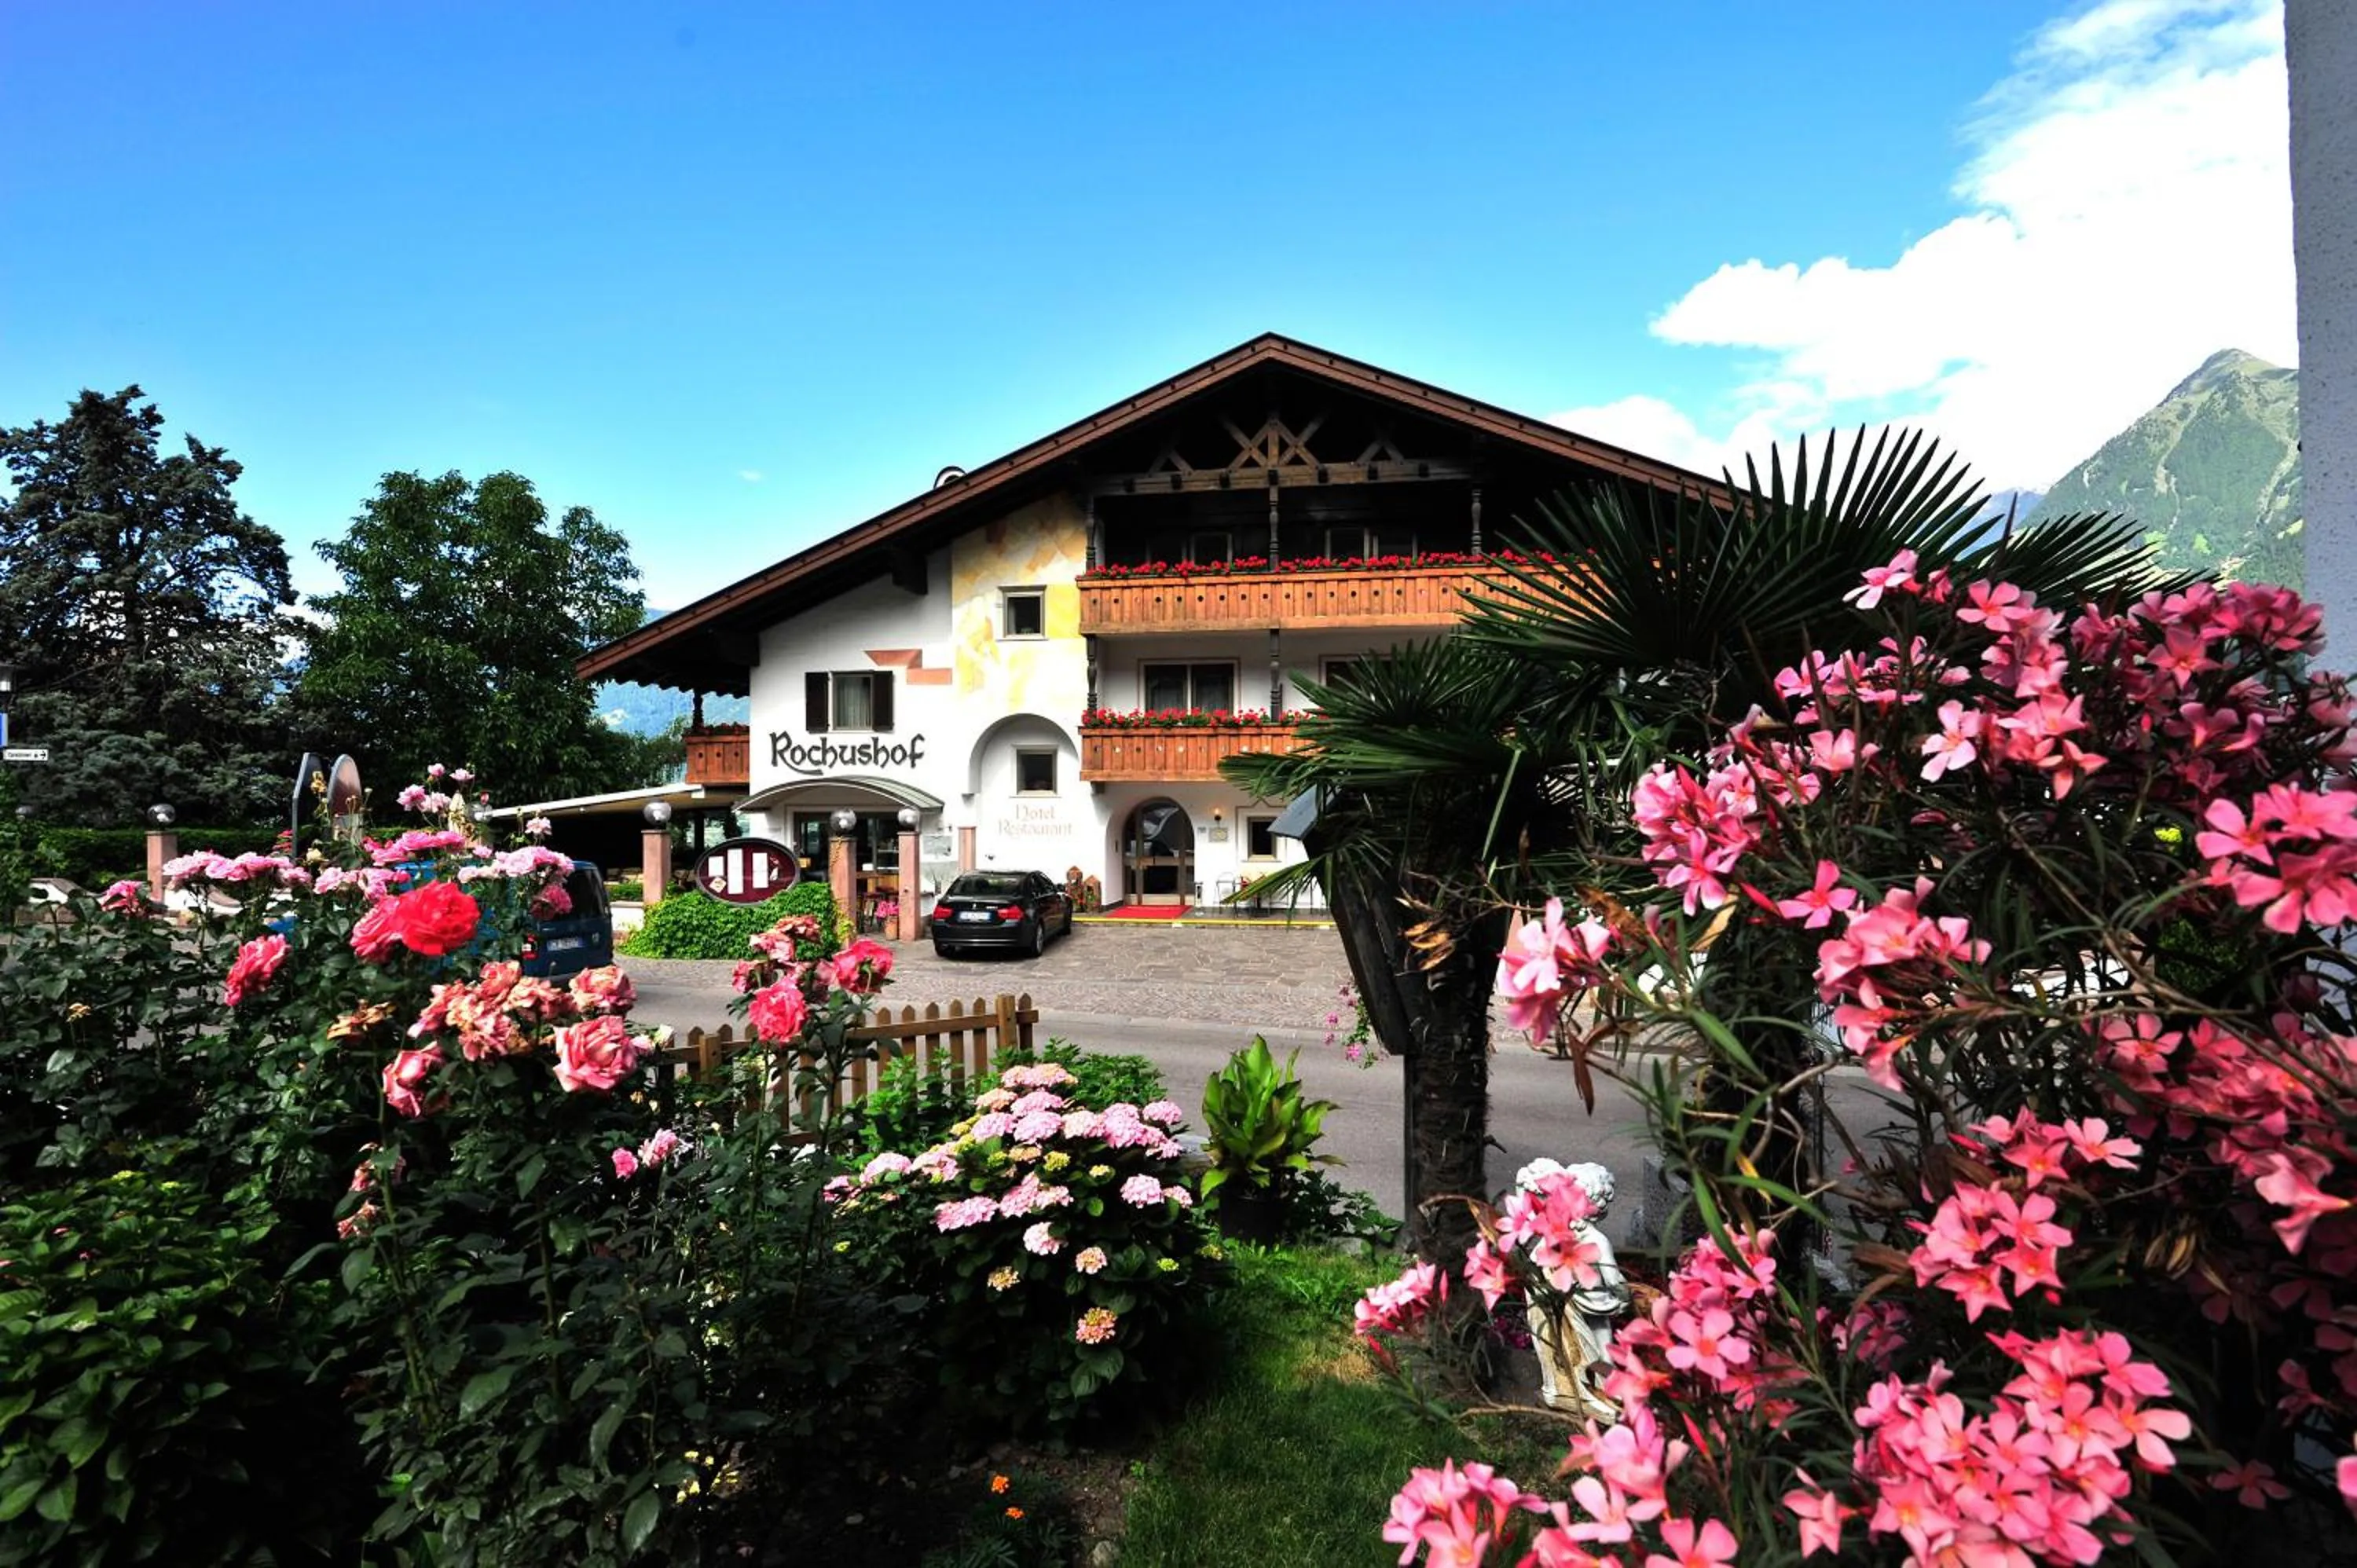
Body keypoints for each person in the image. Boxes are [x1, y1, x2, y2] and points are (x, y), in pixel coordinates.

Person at [1514, 1158, 1630, 1422]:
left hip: (1582, 1301)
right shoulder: (1582, 1238)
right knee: (1587, 1344)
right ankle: (1587, 1392)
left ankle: (1592, 1392)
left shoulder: (1577, 1237)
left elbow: (1613, 1280)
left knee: (1588, 1345)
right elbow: (1614, 1281)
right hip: (1576, 1302)